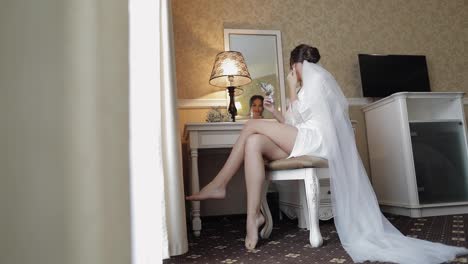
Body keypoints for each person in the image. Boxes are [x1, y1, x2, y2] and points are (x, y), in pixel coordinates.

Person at [187, 44, 468, 263]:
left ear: (296, 65)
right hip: (304, 136)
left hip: (316, 141)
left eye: (292, 69)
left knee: (251, 126)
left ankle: (219, 184)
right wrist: (275, 111)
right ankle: (253, 217)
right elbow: (294, 123)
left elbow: (313, 124)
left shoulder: (318, 82)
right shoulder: (306, 86)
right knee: (252, 142)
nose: (292, 74)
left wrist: (290, 89)